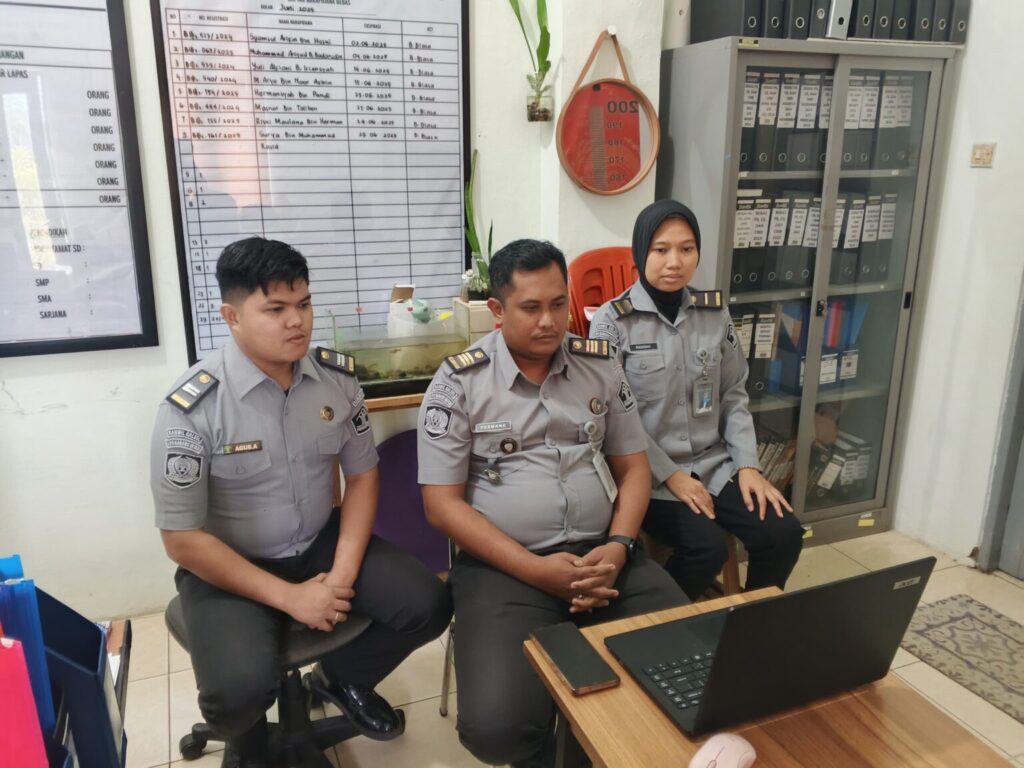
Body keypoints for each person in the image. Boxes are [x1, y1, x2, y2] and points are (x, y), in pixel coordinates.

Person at [150, 237, 452, 768]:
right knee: (235, 696)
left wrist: (340, 577)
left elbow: (363, 477)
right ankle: (248, 737)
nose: (297, 321)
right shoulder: (193, 406)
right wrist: (291, 599)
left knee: (428, 605)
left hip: (317, 541)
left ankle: (339, 678)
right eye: (276, 309)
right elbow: (181, 539)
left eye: (304, 304)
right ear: (232, 317)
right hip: (229, 564)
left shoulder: (336, 380)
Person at [418, 239, 687, 767]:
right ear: (497, 310)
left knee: (690, 662)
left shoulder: (599, 365)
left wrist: (619, 546)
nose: (549, 321)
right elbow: (440, 506)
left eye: (558, 304)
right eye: (531, 307)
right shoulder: (460, 381)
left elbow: (634, 468)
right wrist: (538, 572)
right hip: (507, 569)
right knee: (497, 730)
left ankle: (604, 750)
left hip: (604, 557)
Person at [590, 200, 804, 602]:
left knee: (783, 533)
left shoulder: (714, 314)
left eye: (686, 249)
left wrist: (748, 466)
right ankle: (661, 621)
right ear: (641, 252)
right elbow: (616, 419)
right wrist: (672, 476)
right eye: (661, 250)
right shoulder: (612, 322)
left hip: (714, 465)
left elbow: (733, 392)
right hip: (649, 475)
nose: (675, 262)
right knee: (705, 549)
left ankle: (749, 622)